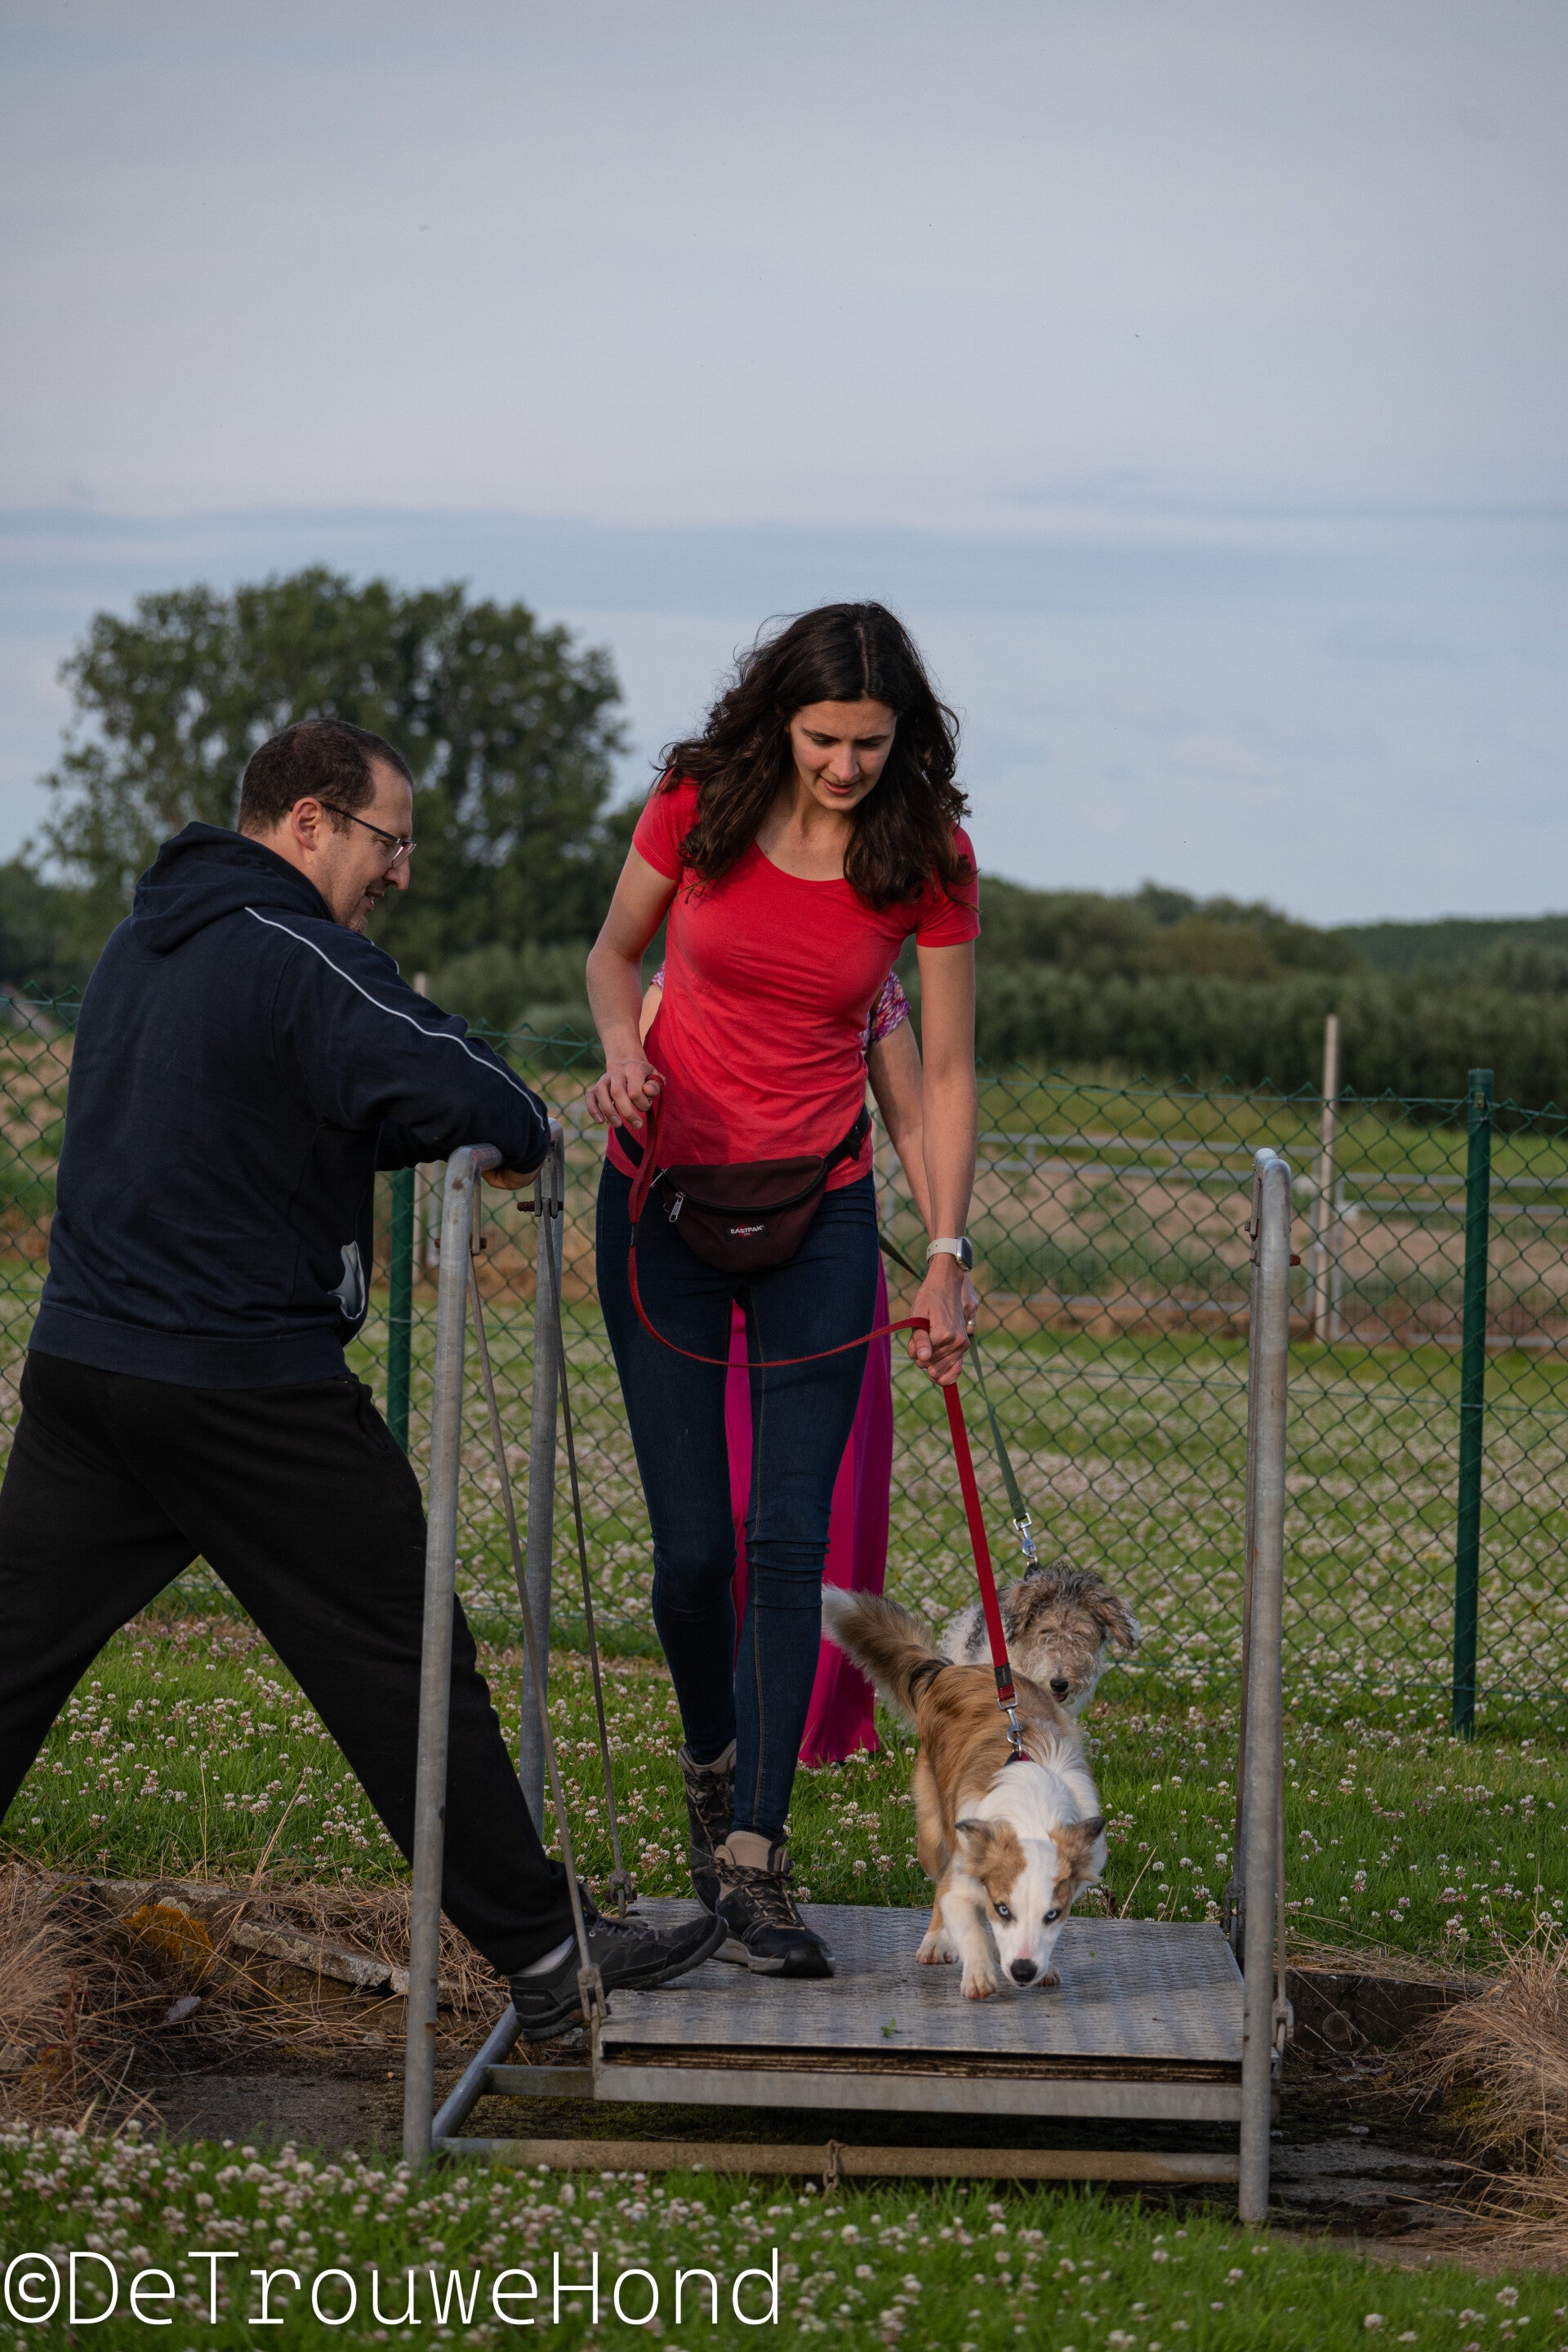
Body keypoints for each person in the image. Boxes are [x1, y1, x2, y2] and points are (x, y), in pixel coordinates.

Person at [0, 717, 719, 2039]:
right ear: (310, 823)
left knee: (11, 1656)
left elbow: (279, 1110)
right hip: (243, 1386)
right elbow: (472, 1087)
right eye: (390, 840)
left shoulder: (145, 940)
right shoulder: (299, 950)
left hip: (87, 1369)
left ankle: (544, 1944)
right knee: (406, 1658)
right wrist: (525, 1130)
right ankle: (547, 1958)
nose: (399, 871)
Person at [586, 603, 980, 1980]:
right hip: (662, 1205)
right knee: (695, 1550)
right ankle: (713, 1770)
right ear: (781, 718)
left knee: (787, 1543)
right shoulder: (698, 805)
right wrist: (620, 1053)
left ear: (902, 735)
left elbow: (942, 1072)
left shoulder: (926, 855)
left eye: (870, 741)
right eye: (824, 738)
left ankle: (756, 1858)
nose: (846, 766)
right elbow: (612, 956)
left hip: (821, 1213)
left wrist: (947, 1250)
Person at [640, 966, 978, 1766]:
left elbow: (912, 1123)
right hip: (706, 1253)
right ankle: (723, 1721)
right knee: (714, 1514)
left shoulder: (871, 979)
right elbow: (647, 1099)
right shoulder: (689, 962)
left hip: (823, 1265)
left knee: (809, 1511)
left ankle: (804, 1725)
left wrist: (947, 1259)